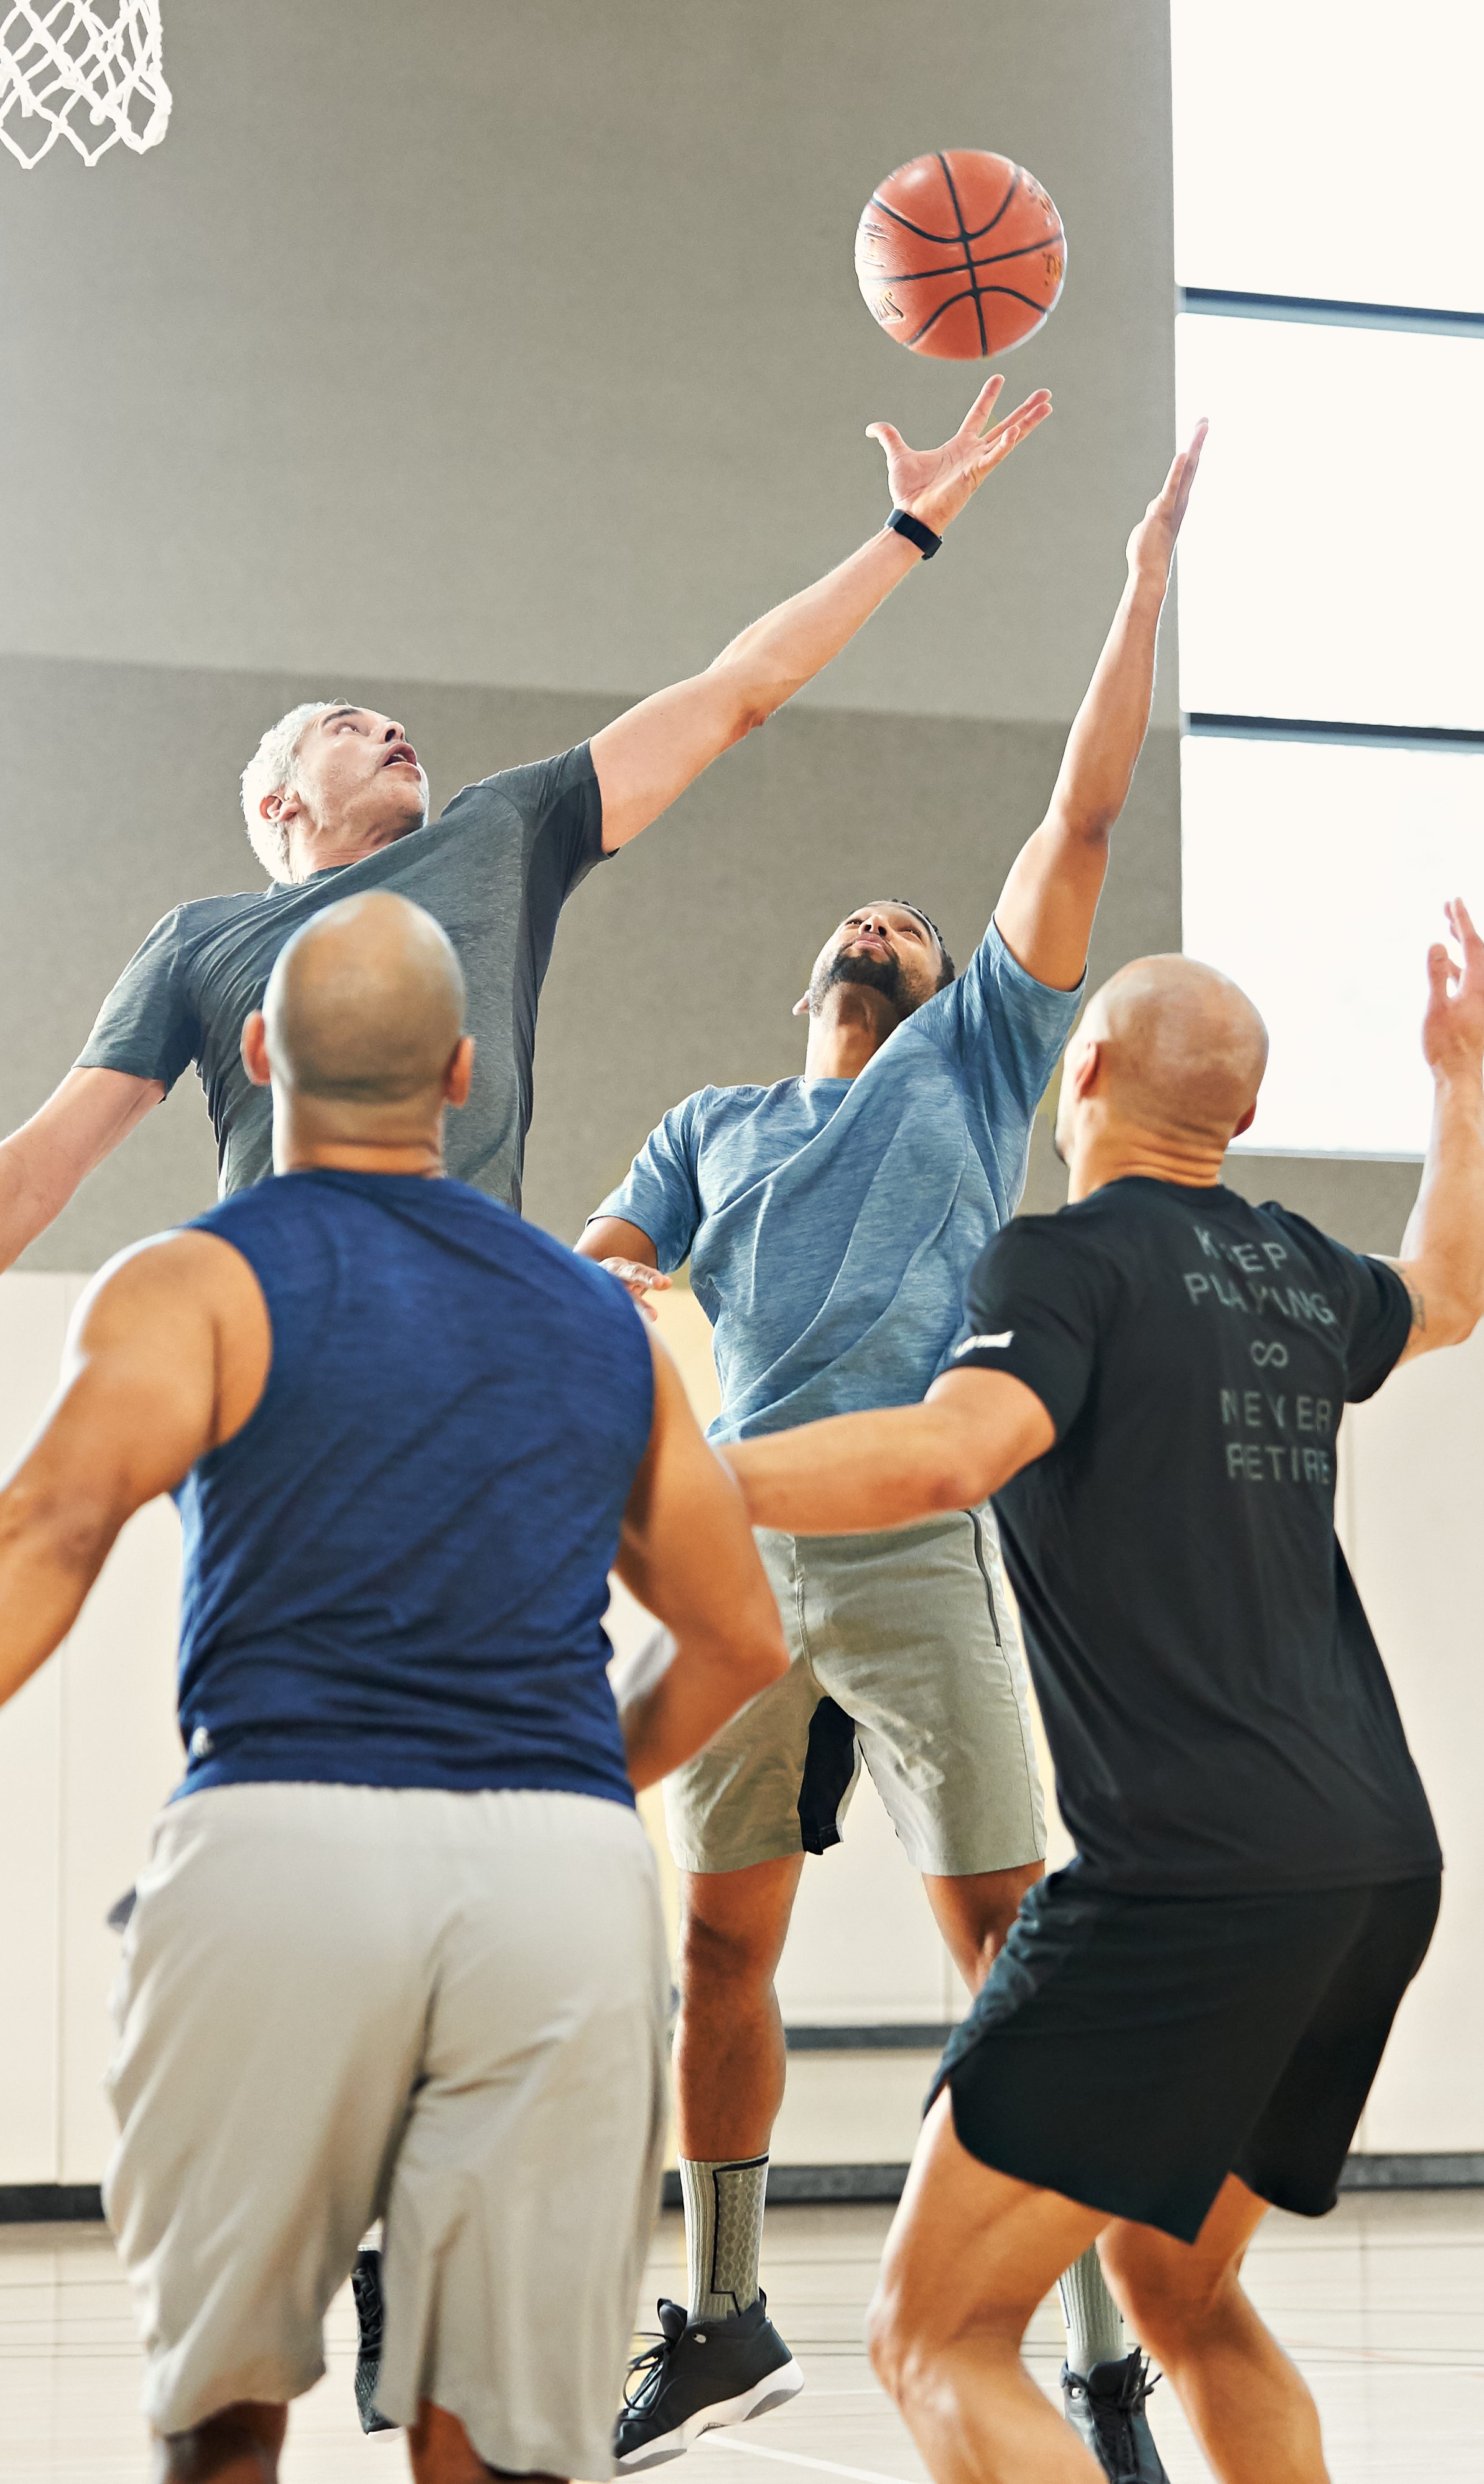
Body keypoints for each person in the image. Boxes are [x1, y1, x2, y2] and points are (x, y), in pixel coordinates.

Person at [0, 892, 789, 2484]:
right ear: (463, 1073)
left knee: (226, 2426)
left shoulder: (193, 1282)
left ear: (252, 1052)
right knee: (498, 2448)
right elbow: (735, 1638)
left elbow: (50, 1527)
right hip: (558, 1878)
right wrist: (574, 1783)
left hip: (278, 1849)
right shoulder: (599, 1317)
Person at [0, 374, 1051, 1529]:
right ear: (277, 806)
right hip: (282, 1340)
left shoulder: (504, 830)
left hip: (476, 1342)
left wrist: (908, 530)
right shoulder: (204, 941)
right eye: (347, 726)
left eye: (393, 722)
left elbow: (733, 694)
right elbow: (42, 1161)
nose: (390, 732)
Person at [578, 430, 1205, 2480]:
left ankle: (1100, 2354)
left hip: (919, 1535)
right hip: (735, 1553)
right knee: (720, 1947)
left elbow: (1083, 805)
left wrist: (1139, 582)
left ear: (952, 990)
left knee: (1011, 1942)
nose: (883, 925)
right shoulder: (715, 1121)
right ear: (807, 982)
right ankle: (725, 2302)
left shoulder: (983, 1053)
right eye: (859, 921)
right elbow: (602, 1271)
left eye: (913, 925)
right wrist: (634, 1335)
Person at [723, 909, 1484, 2484]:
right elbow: (1450, 1284)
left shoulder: (1057, 1262)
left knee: (931, 2334)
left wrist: (679, 1475)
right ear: (1247, 1117)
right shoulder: (1295, 1267)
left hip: (1185, 1877)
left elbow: (950, 1451)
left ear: (1074, 1070)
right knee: (1176, 2284)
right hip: (1371, 1872)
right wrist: (1458, 1077)